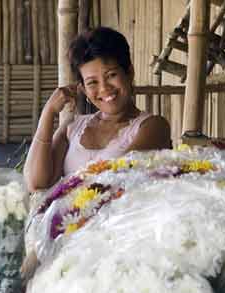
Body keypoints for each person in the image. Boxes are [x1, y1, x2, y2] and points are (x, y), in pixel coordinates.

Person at [23, 27, 171, 192]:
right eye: (92, 82)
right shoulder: (73, 127)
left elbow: (118, 181)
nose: (104, 89)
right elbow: (36, 183)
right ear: (84, 90)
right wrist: (48, 113)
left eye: (111, 75)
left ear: (129, 73)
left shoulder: (154, 127)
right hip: (69, 217)